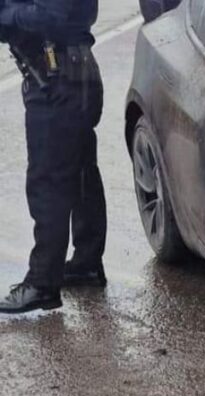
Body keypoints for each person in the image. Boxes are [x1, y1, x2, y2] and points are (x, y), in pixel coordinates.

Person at [0, 0, 107, 315]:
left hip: (58, 80)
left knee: (48, 183)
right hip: (67, 76)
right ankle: (86, 263)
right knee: (81, 176)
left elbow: (49, 17)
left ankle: (42, 283)